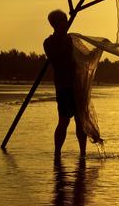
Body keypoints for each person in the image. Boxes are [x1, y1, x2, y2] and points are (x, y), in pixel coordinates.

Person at [44, 9, 87, 157]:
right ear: (54, 24)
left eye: (65, 20)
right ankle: (57, 153)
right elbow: (56, 57)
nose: (65, 23)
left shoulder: (71, 40)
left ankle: (83, 154)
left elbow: (84, 55)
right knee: (63, 121)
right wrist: (66, 41)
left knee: (80, 122)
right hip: (64, 87)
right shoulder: (49, 42)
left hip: (77, 86)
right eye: (62, 21)